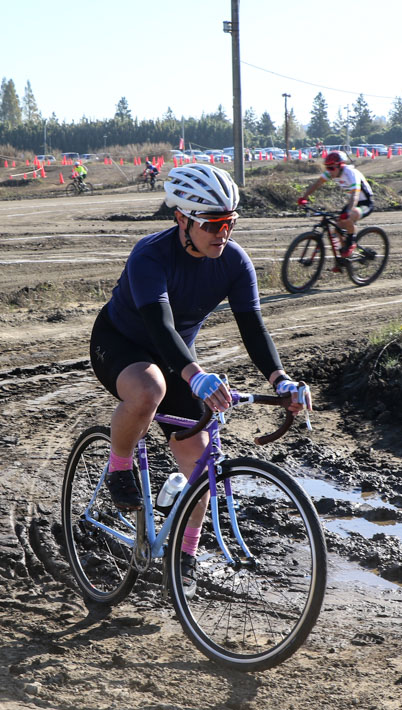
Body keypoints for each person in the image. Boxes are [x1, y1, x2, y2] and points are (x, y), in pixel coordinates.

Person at [88, 163, 310, 596]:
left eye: (229, 222)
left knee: (201, 465)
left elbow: (253, 327)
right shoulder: (150, 255)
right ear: (182, 219)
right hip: (122, 344)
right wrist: (197, 376)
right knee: (150, 389)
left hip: (178, 357)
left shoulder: (234, 262)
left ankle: (184, 558)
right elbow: (160, 326)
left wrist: (280, 379)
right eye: (212, 223)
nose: (221, 232)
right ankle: (119, 466)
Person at [296, 150, 374, 257]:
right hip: (353, 202)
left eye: (331, 168)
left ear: (340, 166)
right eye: (327, 168)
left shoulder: (351, 173)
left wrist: (349, 211)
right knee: (337, 229)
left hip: (365, 202)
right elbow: (317, 183)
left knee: (349, 216)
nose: (329, 171)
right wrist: (304, 197)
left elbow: (355, 195)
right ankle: (344, 256)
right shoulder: (332, 172)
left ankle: (351, 243)